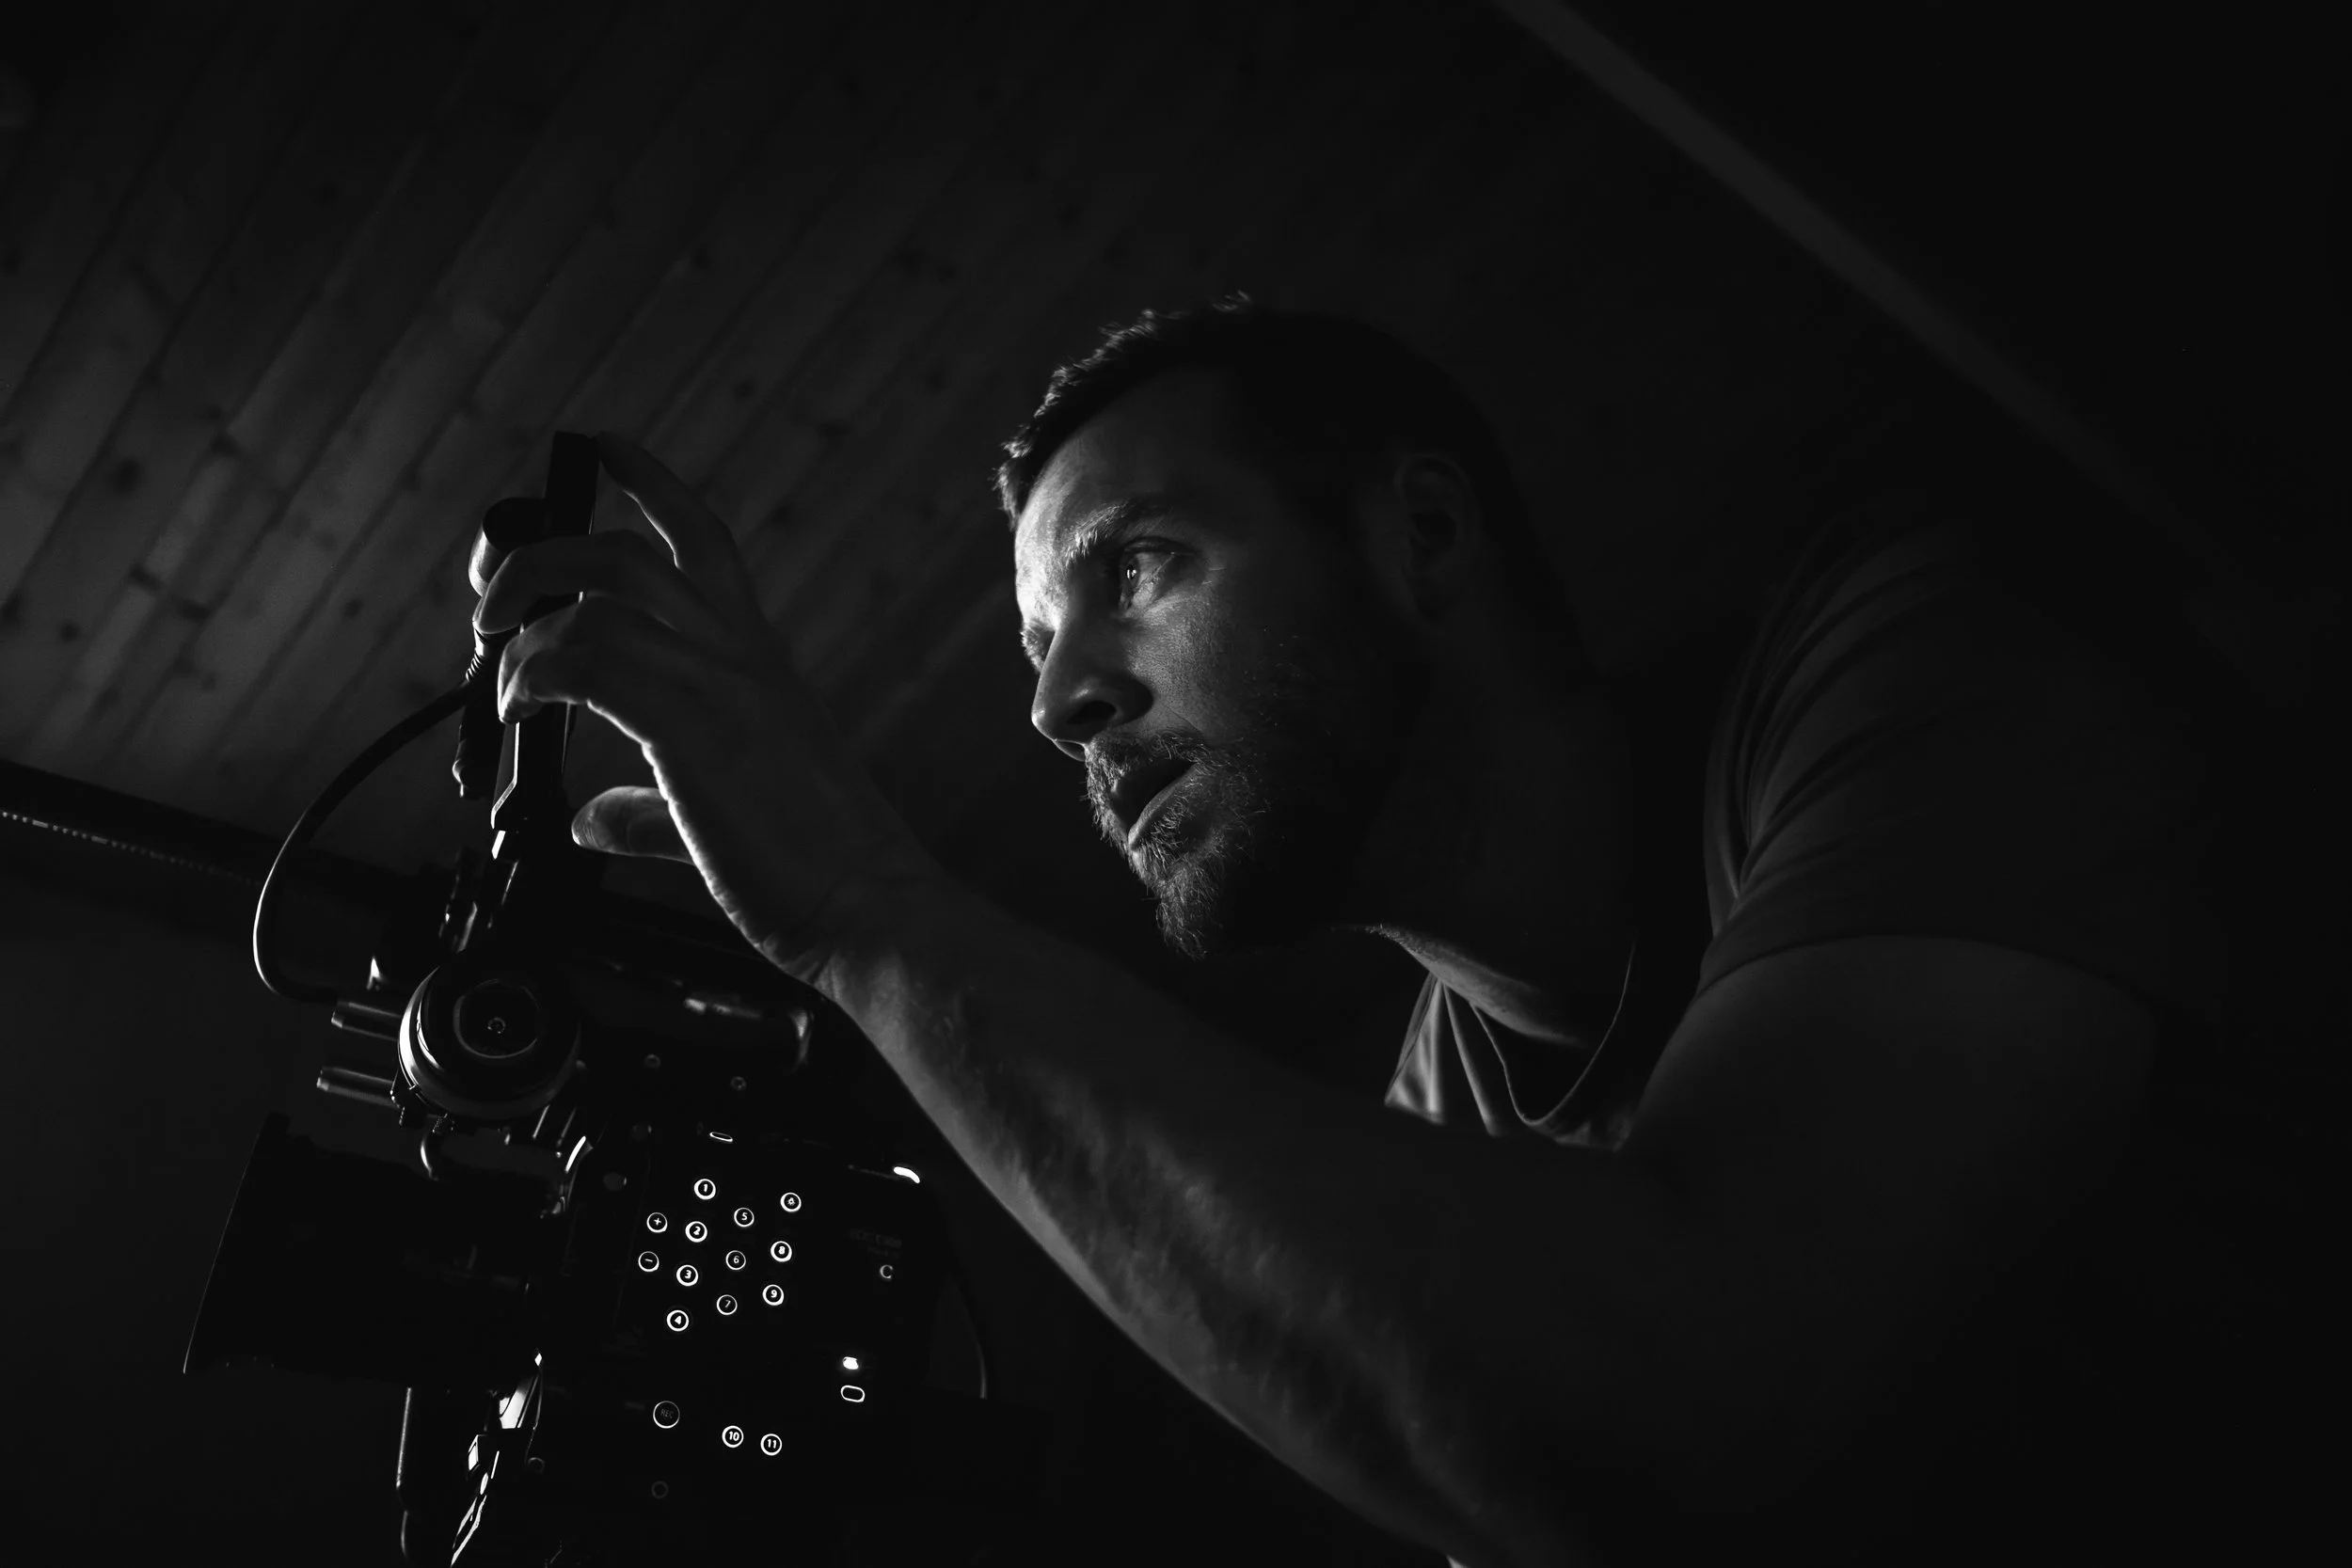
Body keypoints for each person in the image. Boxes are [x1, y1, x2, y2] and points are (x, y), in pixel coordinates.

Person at [470, 298, 2316, 1565]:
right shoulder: (1428, 1130)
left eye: (1132, 568)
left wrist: (865, 915)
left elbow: (1683, 1408)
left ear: (1419, 534)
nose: (1061, 707)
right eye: (1041, 649)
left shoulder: (1910, 651)